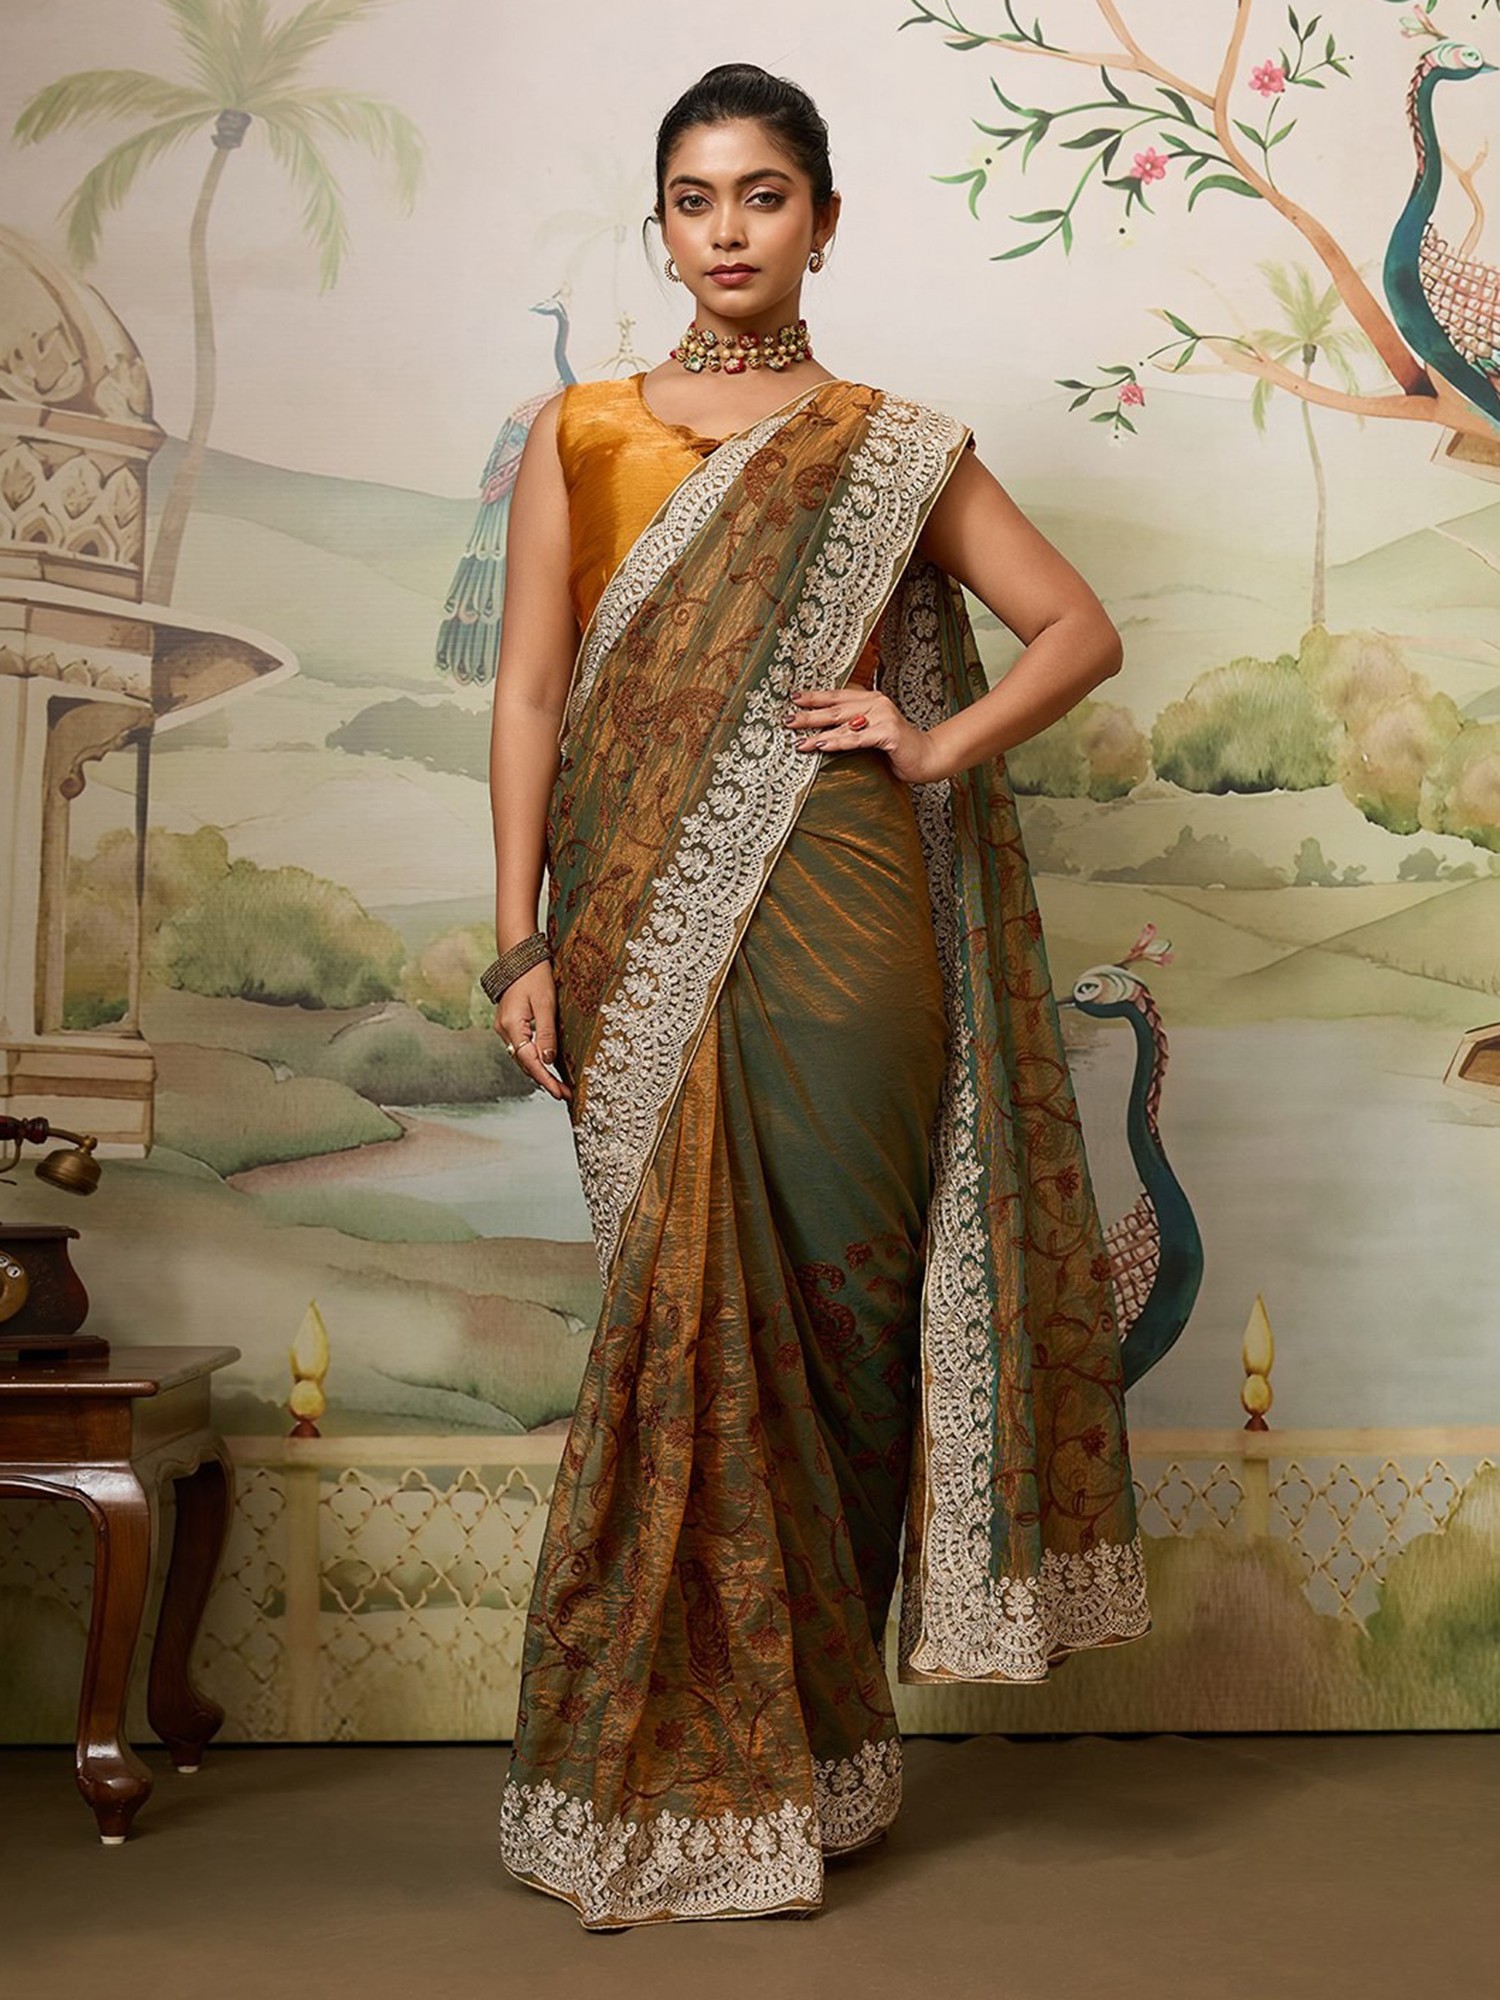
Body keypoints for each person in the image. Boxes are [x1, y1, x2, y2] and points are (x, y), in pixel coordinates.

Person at [486, 61, 1148, 1931]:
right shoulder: (580, 433)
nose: (727, 232)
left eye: (763, 196)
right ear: (661, 227)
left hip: (852, 927)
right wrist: (520, 936)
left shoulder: (892, 444)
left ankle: (818, 1748)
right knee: (675, 1319)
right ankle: (672, 1759)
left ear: (825, 221)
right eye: (694, 200)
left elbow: (1079, 628)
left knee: (852, 1332)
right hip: (632, 933)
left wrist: (930, 745)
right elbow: (527, 692)